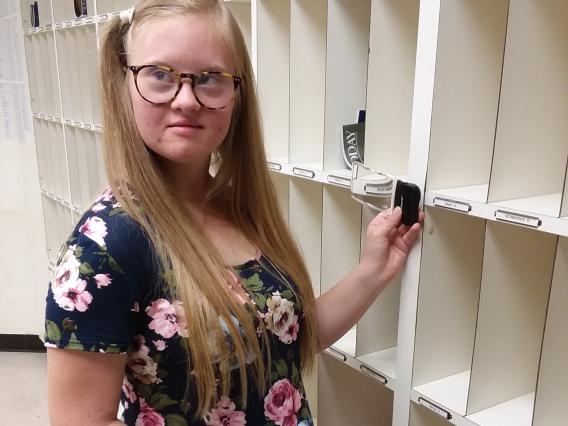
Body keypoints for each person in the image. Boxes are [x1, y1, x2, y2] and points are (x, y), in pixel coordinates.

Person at [44, 1, 423, 425]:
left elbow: (282, 341)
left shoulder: (235, 205)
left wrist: (374, 269)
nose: (186, 99)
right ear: (124, 84)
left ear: (237, 94)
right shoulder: (104, 247)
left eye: (209, 79)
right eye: (159, 75)